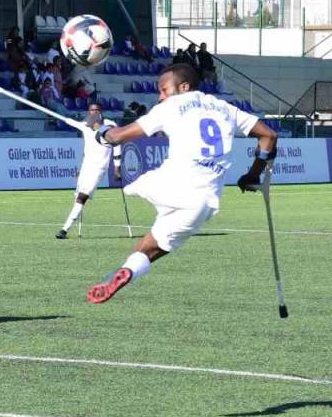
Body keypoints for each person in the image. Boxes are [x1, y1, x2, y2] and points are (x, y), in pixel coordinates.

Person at [85, 64, 278, 303]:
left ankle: (126, 268)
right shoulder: (226, 107)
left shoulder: (169, 107)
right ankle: (126, 272)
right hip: (205, 202)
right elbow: (269, 135)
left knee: (131, 183)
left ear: (183, 87)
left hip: (170, 185)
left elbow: (116, 137)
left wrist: (98, 129)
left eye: (164, 90)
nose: (160, 96)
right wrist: (253, 175)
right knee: (154, 248)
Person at [55, 103, 122, 240]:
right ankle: (67, 227)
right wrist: (62, 118)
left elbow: (117, 144)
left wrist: (117, 167)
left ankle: (64, 229)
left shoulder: (109, 125)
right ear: (89, 112)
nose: (94, 112)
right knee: (78, 196)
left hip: (99, 167)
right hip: (86, 166)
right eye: (91, 110)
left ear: (100, 111)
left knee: (82, 197)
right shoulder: (85, 124)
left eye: (96, 110)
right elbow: (72, 122)